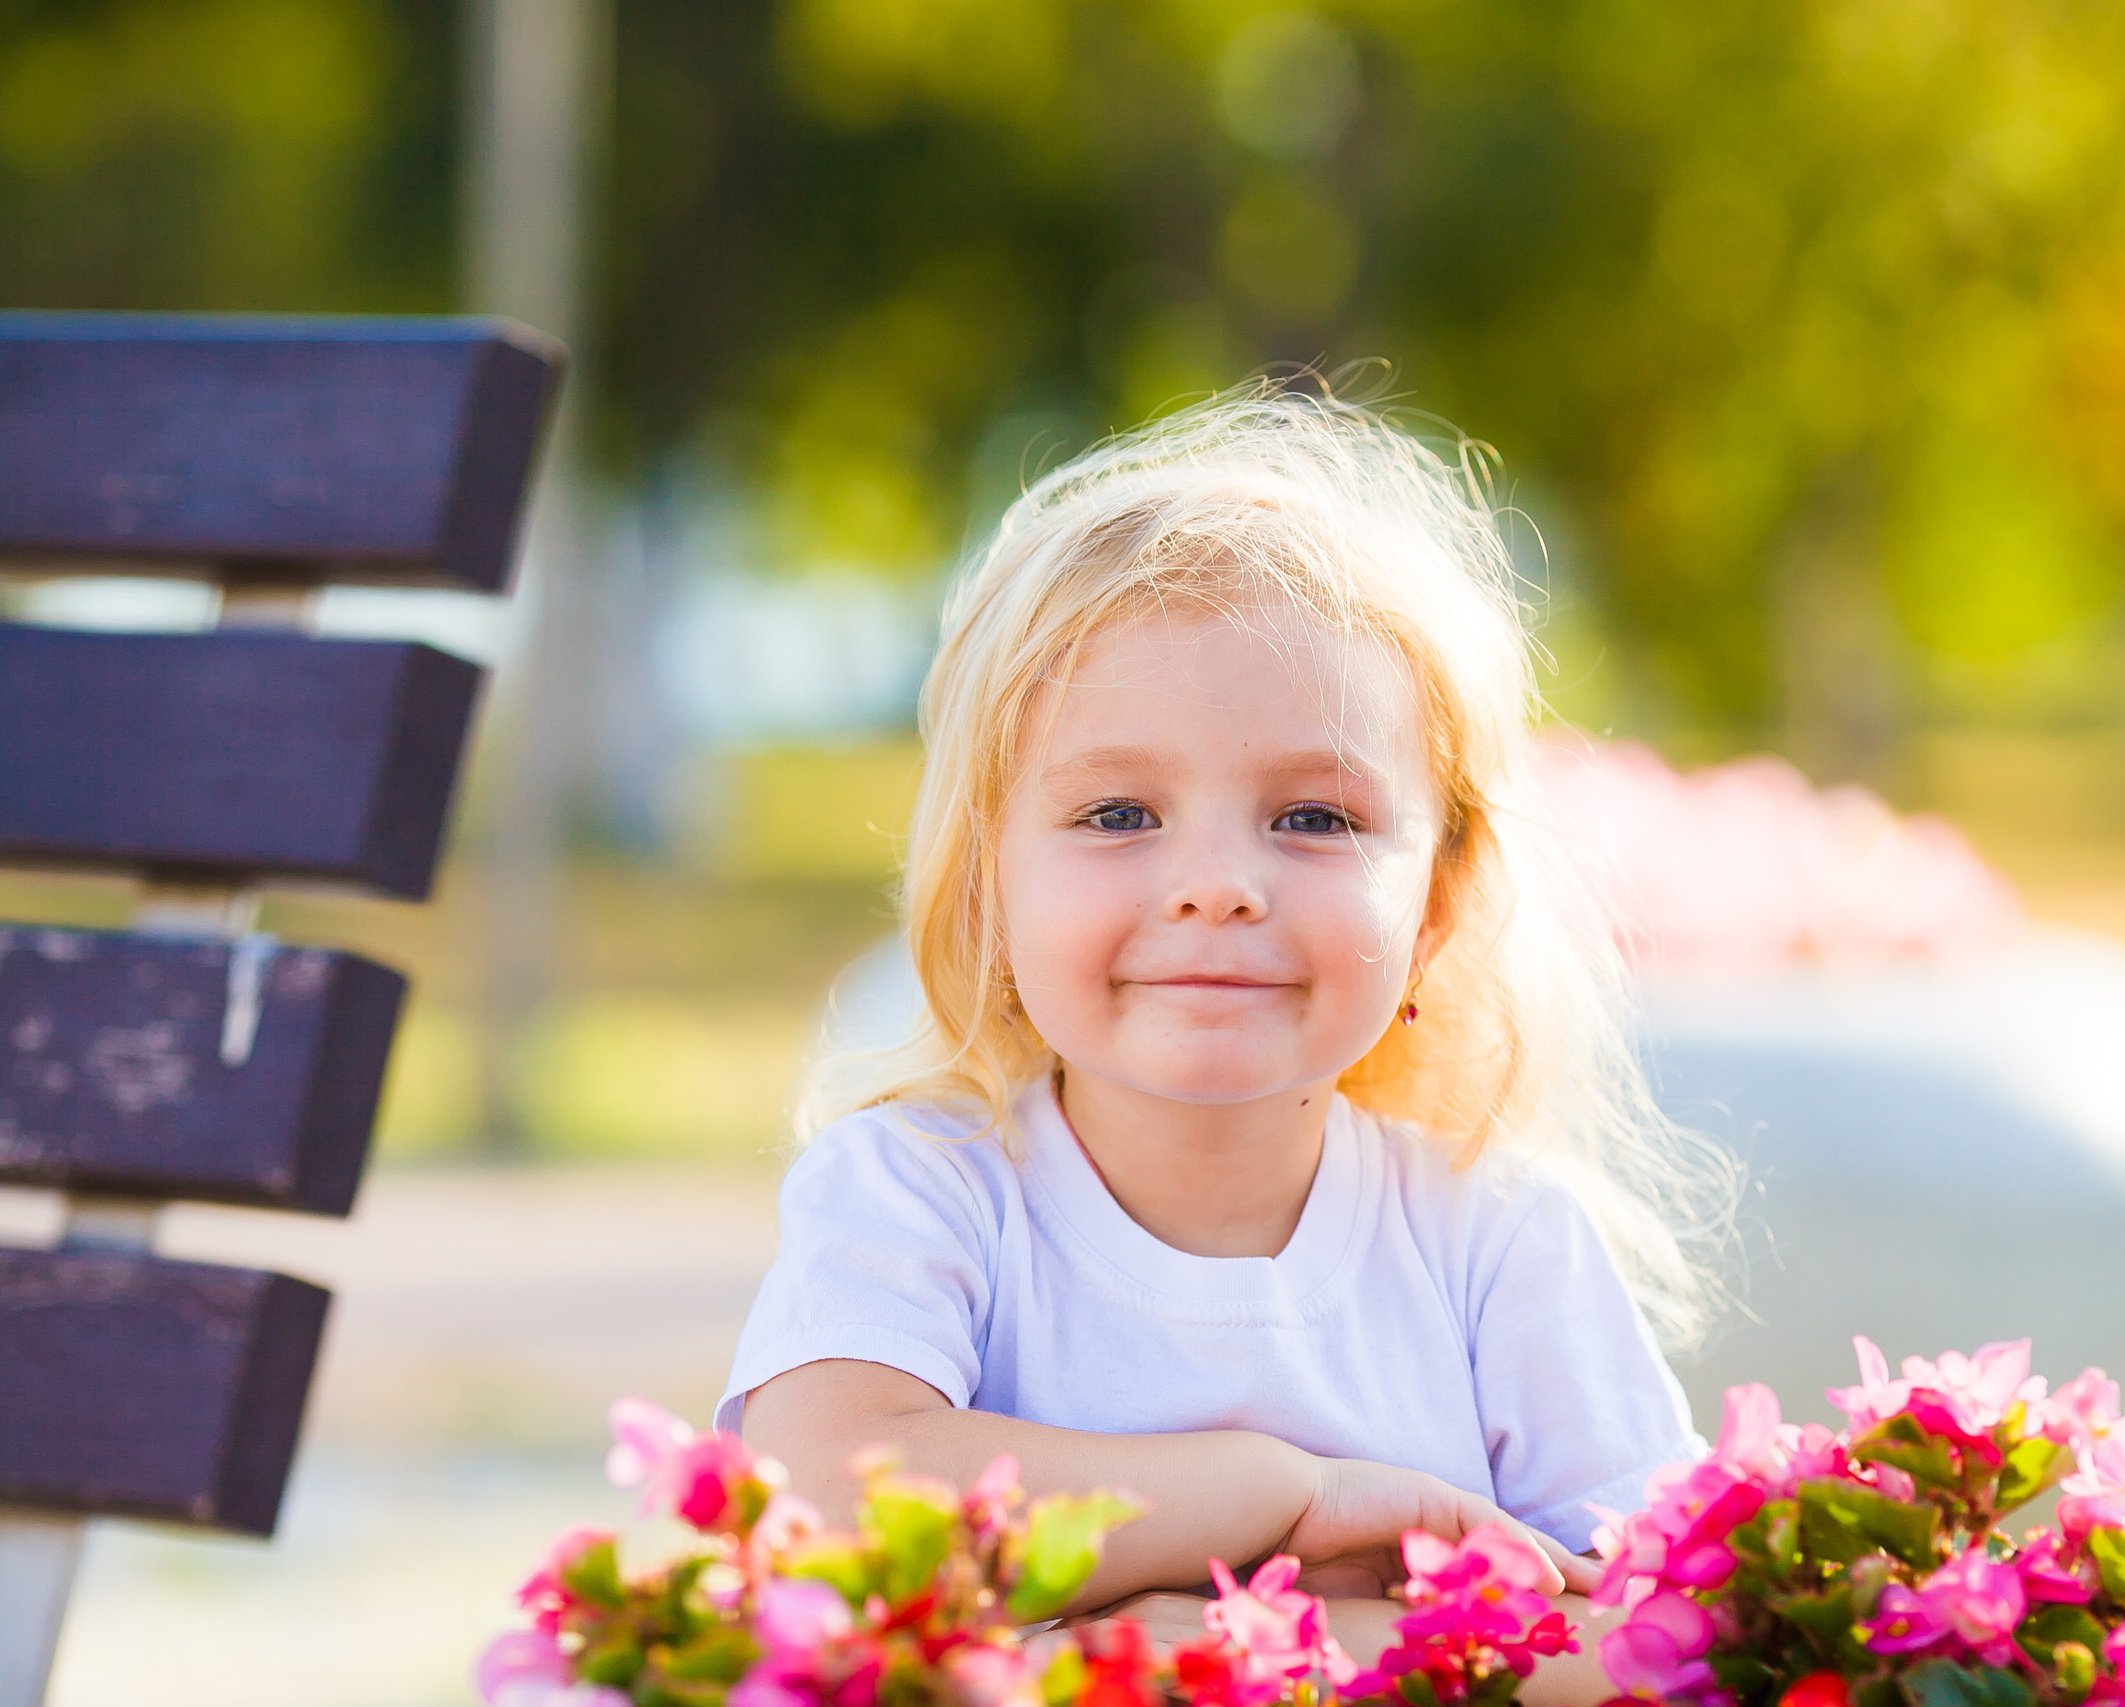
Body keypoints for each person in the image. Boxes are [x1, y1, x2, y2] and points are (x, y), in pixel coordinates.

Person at [721, 382, 1734, 1705]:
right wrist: (1278, 1497)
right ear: (987, 884)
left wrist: (1215, 1651)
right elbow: (835, 1508)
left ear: (1436, 904)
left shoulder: (1495, 1238)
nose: (1217, 884)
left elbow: (1670, 1649)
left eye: (1313, 819)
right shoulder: (917, 1190)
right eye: (1118, 813)